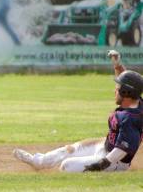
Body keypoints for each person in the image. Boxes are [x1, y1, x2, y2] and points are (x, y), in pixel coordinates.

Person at [13, 50, 143, 172]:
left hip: (115, 162)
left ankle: (102, 170)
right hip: (105, 145)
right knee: (69, 150)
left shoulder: (130, 119)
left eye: (118, 88)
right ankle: (38, 162)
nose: (115, 91)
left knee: (66, 166)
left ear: (126, 92)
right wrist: (118, 65)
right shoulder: (136, 101)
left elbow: (122, 151)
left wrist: (101, 164)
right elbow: (129, 81)